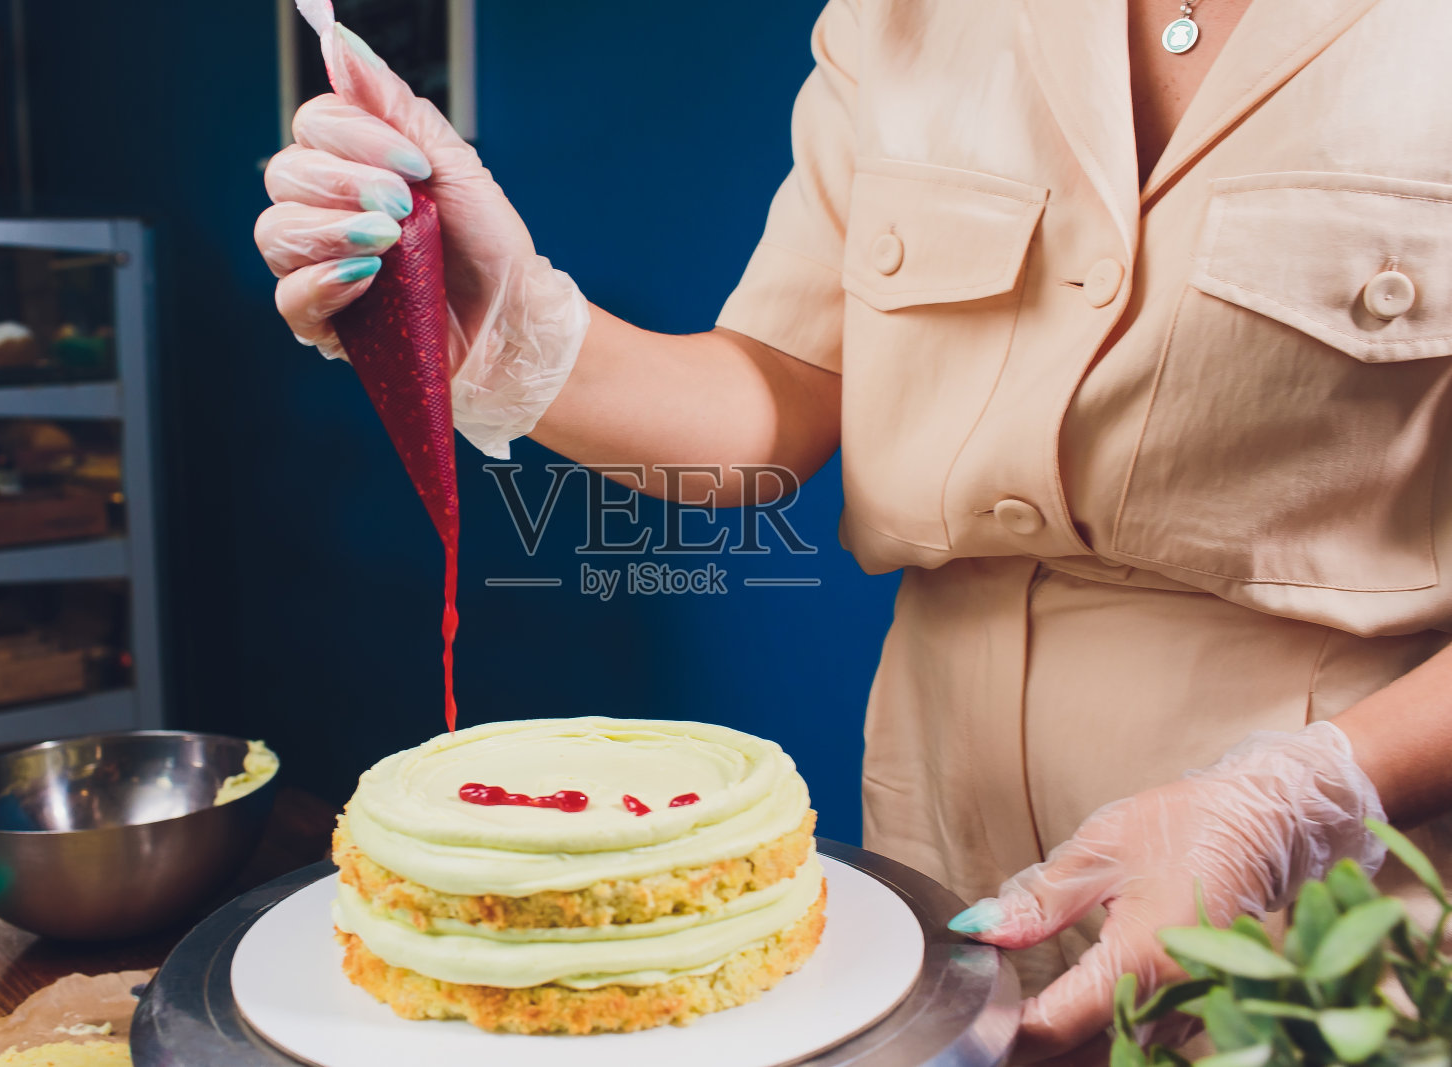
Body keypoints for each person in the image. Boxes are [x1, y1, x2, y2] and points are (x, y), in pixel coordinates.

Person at [255, 0, 1452, 1059]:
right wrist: (507, 321)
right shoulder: (899, 12)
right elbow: (771, 400)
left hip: (1331, 889)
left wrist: (1308, 793)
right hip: (938, 845)